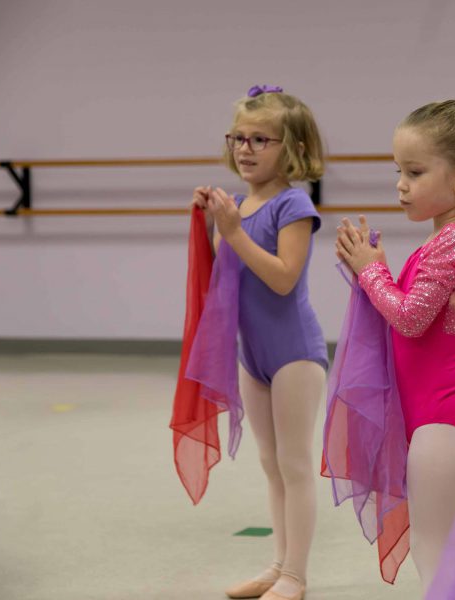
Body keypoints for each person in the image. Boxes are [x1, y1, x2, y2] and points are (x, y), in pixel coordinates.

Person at [332, 81, 455, 592]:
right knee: (439, 551)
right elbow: (407, 319)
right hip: (431, 418)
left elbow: (409, 318)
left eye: (414, 172)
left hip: (444, 419)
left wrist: (371, 272)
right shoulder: (443, 238)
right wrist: (372, 270)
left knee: (436, 554)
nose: (401, 186)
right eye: (398, 172)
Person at [192, 84, 327, 600]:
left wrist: (233, 230)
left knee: (294, 465)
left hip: (295, 354)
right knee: (271, 466)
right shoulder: (240, 206)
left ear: (291, 147)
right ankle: (279, 563)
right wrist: (212, 227)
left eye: (260, 140)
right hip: (254, 358)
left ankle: (297, 574)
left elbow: (283, 278)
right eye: (238, 138)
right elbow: (223, 279)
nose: (245, 149)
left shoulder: (294, 204)